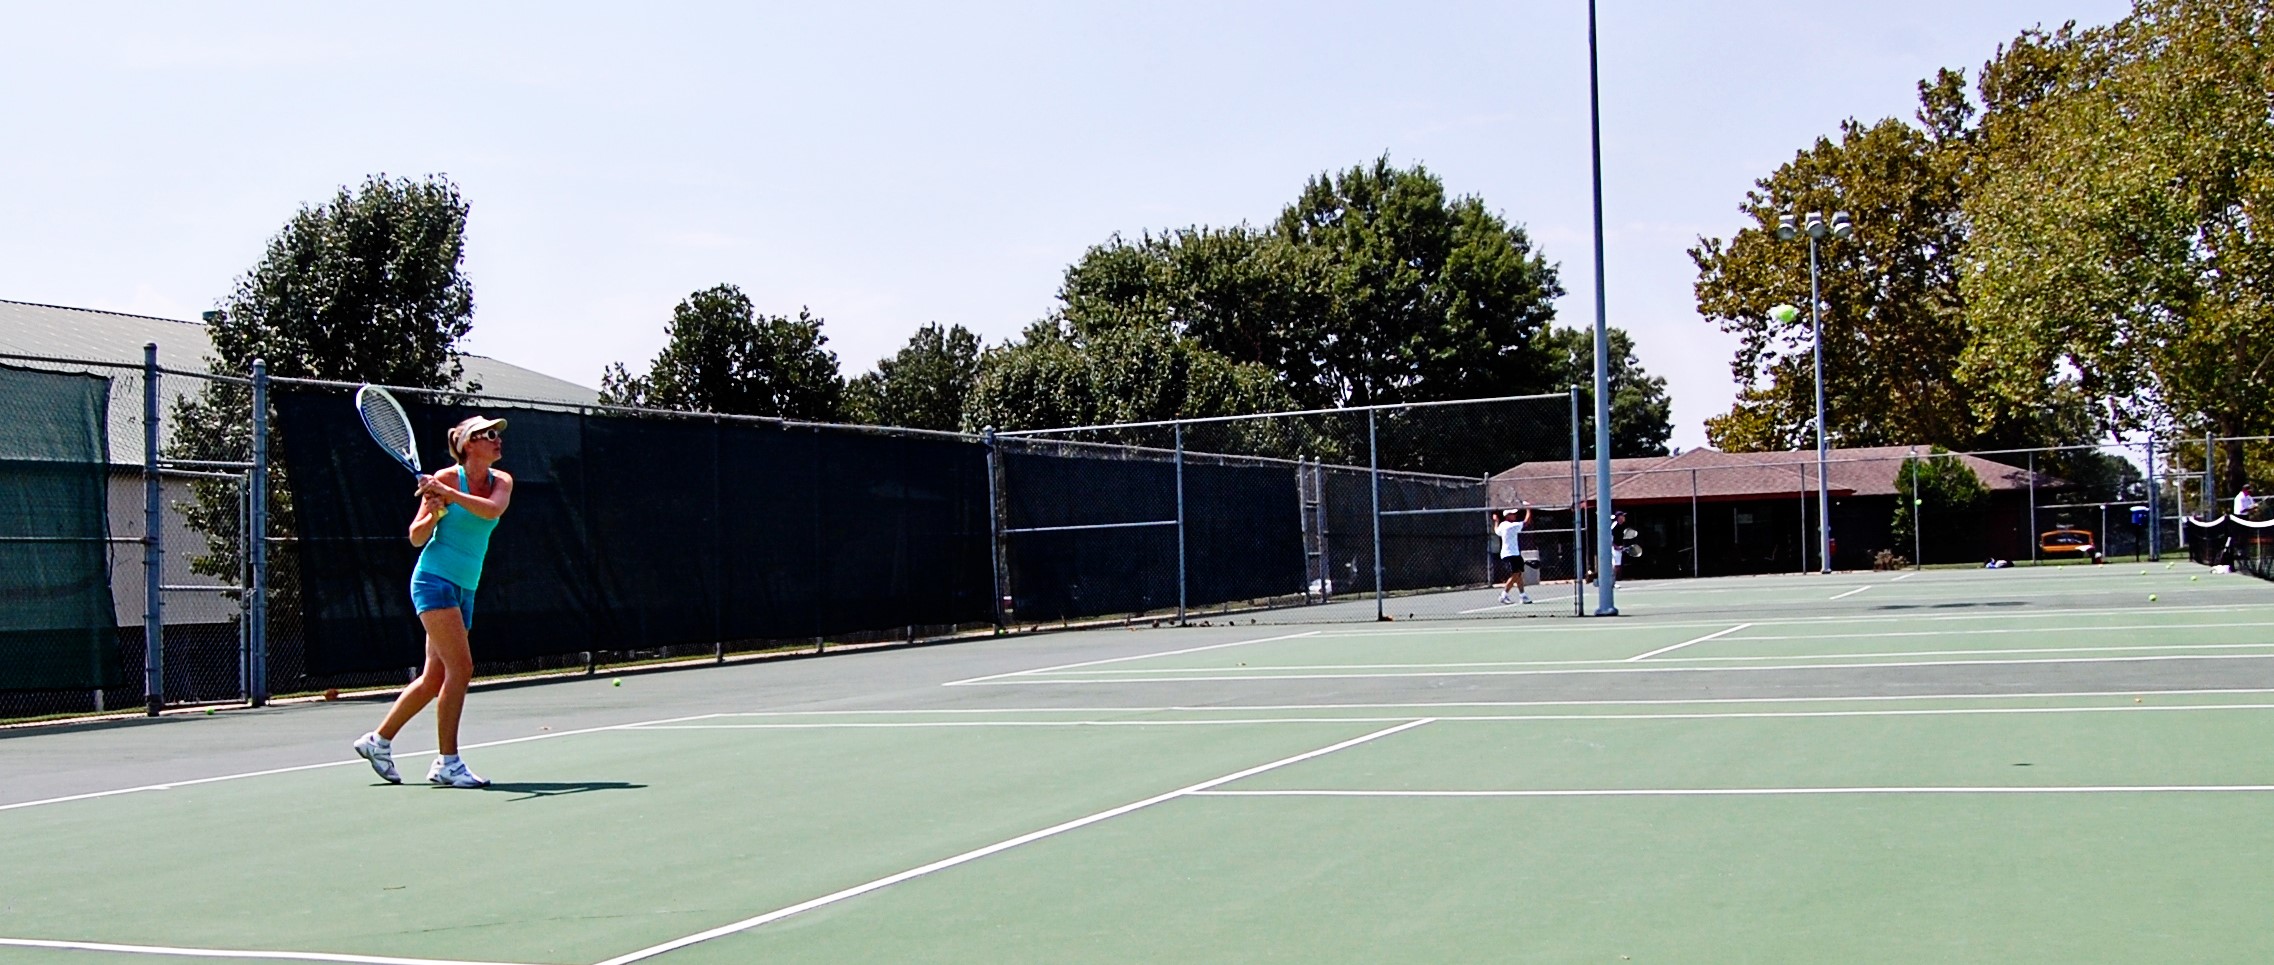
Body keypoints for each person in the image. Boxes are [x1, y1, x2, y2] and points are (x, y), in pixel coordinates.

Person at [353, 416, 514, 788]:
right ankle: (448, 762)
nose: (497, 440)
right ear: (467, 444)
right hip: (434, 581)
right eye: (488, 435)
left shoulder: (500, 481)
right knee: (461, 669)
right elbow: (415, 536)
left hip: (465, 587)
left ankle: (378, 741)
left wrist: (450, 497)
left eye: (497, 434)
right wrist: (435, 512)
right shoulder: (444, 478)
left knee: (434, 677)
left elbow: (491, 510)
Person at [1494, 505, 1533, 605]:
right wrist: (1529, 509)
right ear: (1507, 516)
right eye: (1512, 514)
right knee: (1515, 575)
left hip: (1513, 553)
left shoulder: (1502, 525)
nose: (1515, 515)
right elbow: (1527, 522)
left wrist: (1496, 520)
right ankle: (1503, 595)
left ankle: (1523, 595)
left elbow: (1497, 531)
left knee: (1518, 574)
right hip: (1510, 554)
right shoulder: (1510, 526)